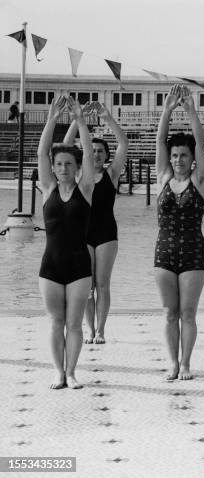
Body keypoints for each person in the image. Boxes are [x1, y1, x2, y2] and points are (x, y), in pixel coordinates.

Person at [38, 95, 94, 389]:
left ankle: (71, 372)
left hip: (79, 268)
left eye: (68, 164)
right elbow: (41, 152)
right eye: (58, 164)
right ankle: (58, 372)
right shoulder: (47, 189)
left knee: (74, 324)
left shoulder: (86, 189)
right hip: (51, 267)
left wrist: (80, 121)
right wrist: (51, 119)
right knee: (56, 323)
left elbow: (89, 154)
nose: (62, 168)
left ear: (76, 166)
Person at [155, 85, 204, 381]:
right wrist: (166, 111)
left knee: (188, 313)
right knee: (169, 313)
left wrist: (190, 111)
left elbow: (200, 141)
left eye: (184, 155)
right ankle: (172, 363)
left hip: (192, 252)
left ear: (191, 158)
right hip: (163, 252)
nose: (178, 160)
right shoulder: (163, 177)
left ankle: (186, 363)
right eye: (174, 155)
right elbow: (159, 141)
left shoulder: (200, 180)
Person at [63, 102, 128, 344]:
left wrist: (107, 117)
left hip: (106, 234)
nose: (98, 155)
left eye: (102, 152)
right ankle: (89, 330)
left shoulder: (112, 175)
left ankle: (101, 330)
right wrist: (76, 119)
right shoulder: (81, 175)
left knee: (102, 283)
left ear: (106, 156)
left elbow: (124, 143)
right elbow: (65, 146)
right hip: (83, 234)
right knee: (86, 285)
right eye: (94, 151)